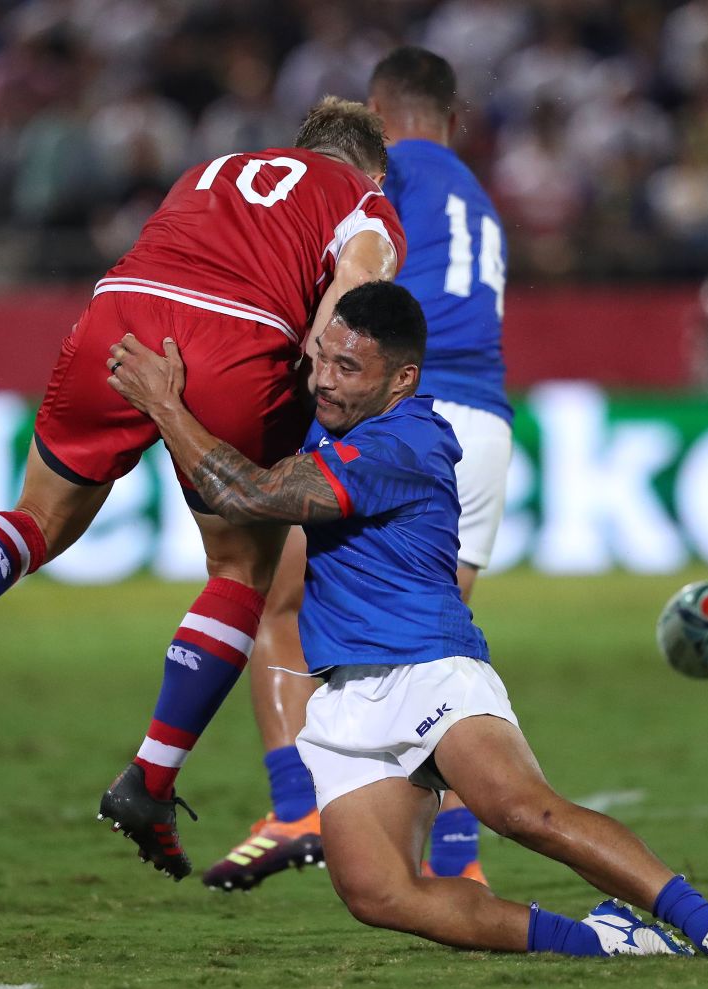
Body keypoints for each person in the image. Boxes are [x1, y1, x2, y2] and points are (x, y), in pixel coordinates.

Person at [0, 98, 408, 882]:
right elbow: (359, 280)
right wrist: (326, 376)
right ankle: (150, 779)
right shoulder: (364, 200)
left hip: (118, 315)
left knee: (38, 515)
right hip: (238, 337)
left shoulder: (213, 171)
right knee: (240, 569)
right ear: (372, 166)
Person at [106, 281, 708, 958]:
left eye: (349, 368)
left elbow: (245, 495)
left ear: (402, 378)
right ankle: (605, 941)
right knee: (378, 893)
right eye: (323, 358)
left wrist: (163, 404)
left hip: (429, 667)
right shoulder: (341, 418)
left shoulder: (403, 442)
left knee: (520, 809)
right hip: (346, 691)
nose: (326, 382)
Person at [201, 47, 513, 893]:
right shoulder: (477, 195)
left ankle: (294, 806)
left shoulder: (391, 174)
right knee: (439, 657)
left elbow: (354, 270)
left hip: (412, 414)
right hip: (486, 424)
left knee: (275, 595)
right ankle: (460, 862)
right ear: (452, 118)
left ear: (378, 112)